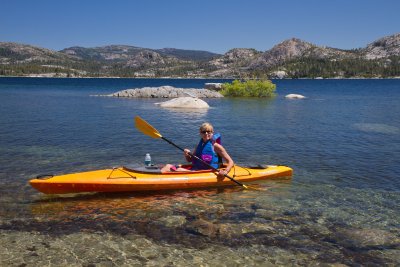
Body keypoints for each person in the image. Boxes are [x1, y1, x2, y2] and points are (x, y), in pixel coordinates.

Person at [161, 122, 234, 177]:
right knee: (168, 166)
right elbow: (190, 160)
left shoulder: (216, 146)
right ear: (200, 133)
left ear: (212, 133)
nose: (206, 134)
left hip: (206, 172)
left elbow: (230, 161)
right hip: (195, 169)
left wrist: (225, 171)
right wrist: (186, 154)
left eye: (208, 131)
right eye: (203, 132)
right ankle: (157, 177)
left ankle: (158, 180)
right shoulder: (198, 146)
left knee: (178, 170)